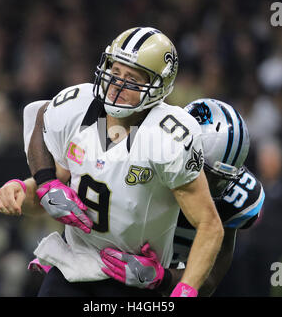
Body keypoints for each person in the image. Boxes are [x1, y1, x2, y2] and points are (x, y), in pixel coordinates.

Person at [0, 27, 224, 297]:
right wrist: (21, 190)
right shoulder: (77, 109)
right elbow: (50, 196)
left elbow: (210, 225)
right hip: (74, 267)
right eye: (115, 72)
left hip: (135, 280)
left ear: (158, 86)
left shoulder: (169, 135)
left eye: (132, 78)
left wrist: (184, 290)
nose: (118, 83)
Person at [99, 98, 265, 296]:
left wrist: (162, 277)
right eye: (204, 174)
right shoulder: (138, 153)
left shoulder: (233, 200)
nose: (209, 186)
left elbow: (210, 280)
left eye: (219, 180)